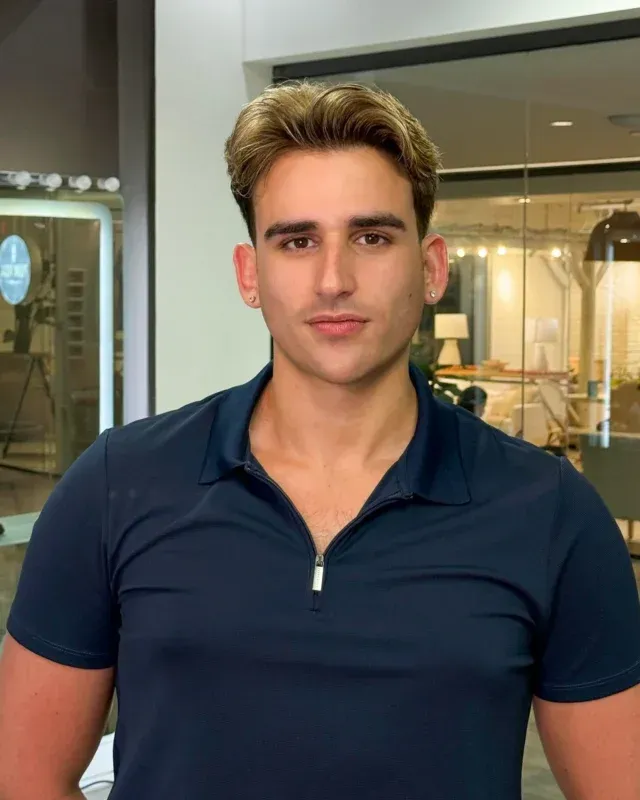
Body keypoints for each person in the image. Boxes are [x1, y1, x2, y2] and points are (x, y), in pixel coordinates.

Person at [0, 82, 638, 800]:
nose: (334, 279)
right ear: (252, 274)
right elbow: (25, 776)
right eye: (297, 241)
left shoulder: (552, 515)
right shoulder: (116, 485)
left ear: (431, 269)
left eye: (371, 237)